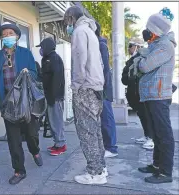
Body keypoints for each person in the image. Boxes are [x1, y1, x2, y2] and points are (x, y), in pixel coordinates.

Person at [0, 22, 43, 185]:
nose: (8, 36)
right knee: (13, 139)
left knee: (31, 134)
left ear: (17, 37)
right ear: (2, 38)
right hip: (8, 104)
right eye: (5, 34)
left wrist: (26, 73)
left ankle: (35, 150)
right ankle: (19, 170)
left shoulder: (26, 53)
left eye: (11, 33)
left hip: (26, 102)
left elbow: (35, 74)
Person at [64, 6, 107, 185]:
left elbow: (80, 60)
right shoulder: (90, 31)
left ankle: (95, 173)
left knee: (86, 132)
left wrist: (75, 86)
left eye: (67, 21)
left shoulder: (80, 31)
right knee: (95, 131)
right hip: (96, 87)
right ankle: (101, 167)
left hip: (85, 88)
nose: (67, 26)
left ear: (71, 18)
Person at [136, 8, 176, 184]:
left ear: (156, 31)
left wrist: (140, 60)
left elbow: (144, 66)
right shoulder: (156, 45)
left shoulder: (165, 46)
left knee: (164, 134)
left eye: (149, 29)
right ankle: (156, 165)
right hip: (152, 96)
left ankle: (165, 173)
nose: (147, 32)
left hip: (159, 97)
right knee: (157, 134)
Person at [121, 37, 155, 150]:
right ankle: (147, 136)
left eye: (130, 45)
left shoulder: (142, 59)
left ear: (137, 46)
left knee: (146, 115)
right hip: (135, 92)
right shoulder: (133, 59)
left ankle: (151, 138)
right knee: (141, 115)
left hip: (141, 93)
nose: (128, 48)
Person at [36, 37, 66, 156]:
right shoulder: (47, 59)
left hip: (55, 97)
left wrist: (53, 97)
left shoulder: (54, 59)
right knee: (53, 122)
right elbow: (45, 77)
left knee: (57, 122)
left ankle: (61, 145)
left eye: (42, 47)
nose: (41, 50)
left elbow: (57, 79)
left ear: (47, 47)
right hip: (50, 96)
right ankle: (57, 143)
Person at [95, 22, 118, 158]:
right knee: (104, 119)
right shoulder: (99, 44)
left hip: (103, 88)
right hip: (101, 87)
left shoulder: (100, 45)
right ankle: (108, 145)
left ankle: (111, 148)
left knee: (107, 118)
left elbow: (102, 69)